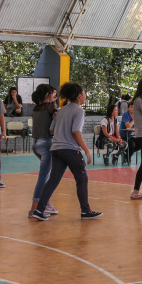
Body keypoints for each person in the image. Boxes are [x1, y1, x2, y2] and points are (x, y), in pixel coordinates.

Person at [31, 82, 101, 220]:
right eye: (84, 94)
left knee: (52, 180)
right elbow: (76, 132)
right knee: (82, 178)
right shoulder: (79, 111)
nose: (85, 96)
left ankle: (39, 210)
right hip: (70, 150)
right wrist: (86, 150)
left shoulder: (61, 110)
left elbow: (51, 129)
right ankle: (85, 211)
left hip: (56, 149)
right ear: (80, 96)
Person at [29, 84, 58, 218]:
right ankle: (34, 208)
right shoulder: (49, 107)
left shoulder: (36, 107)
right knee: (43, 176)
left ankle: (46, 203)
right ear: (47, 95)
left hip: (35, 144)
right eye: (53, 93)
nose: (55, 96)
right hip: (46, 144)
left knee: (47, 175)